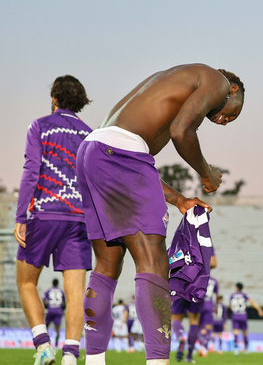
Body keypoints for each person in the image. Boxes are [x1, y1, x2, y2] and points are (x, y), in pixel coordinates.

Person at [76, 64, 244, 365]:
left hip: (92, 150)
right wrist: (207, 174)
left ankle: (94, 361)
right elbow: (181, 132)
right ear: (233, 90)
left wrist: (178, 199)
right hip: (121, 153)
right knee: (154, 263)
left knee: (106, 264)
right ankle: (157, 361)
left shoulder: (175, 83)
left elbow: (136, 158)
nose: (226, 121)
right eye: (233, 113)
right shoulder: (217, 81)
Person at [14, 75, 93, 365]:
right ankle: (71, 355)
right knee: (75, 294)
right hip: (79, 219)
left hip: (44, 214)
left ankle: (44, 346)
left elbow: (31, 170)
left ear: (55, 99)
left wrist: (21, 215)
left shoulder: (40, 126)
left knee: (25, 283)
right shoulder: (90, 135)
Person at [172, 253, 218, 362]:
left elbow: (171, 261)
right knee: (194, 321)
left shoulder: (179, 240)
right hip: (197, 284)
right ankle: (189, 356)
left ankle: (180, 337)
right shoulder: (204, 241)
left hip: (181, 282)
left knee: (176, 318)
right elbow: (214, 263)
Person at [229, 282, 263, 356]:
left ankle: (236, 349)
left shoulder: (232, 295)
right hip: (243, 315)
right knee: (244, 333)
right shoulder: (244, 295)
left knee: (235, 333)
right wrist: (259, 309)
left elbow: (231, 307)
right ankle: (246, 349)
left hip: (235, 315)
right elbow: (252, 302)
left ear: (237, 288)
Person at [43, 279, 66, 347]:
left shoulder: (48, 291)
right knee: (57, 329)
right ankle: (56, 345)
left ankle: (45, 343)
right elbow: (64, 303)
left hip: (50, 310)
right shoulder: (61, 292)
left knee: (45, 327)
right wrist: (62, 310)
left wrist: (46, 307)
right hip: (58, 311)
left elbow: (44, 300)